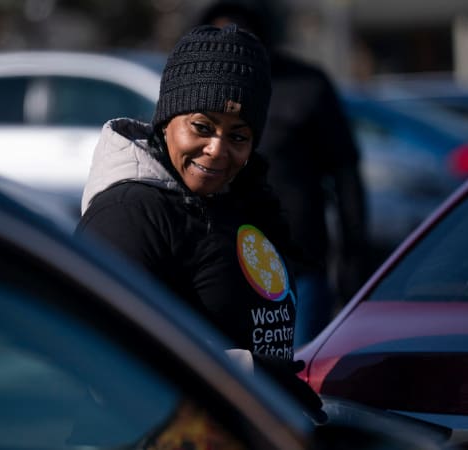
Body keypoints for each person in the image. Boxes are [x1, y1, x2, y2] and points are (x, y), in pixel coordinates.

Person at [75, 24, 324, 422]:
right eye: (202, 127)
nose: (217, 149)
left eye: (238, 136)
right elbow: (105, 364)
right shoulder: (128, 213)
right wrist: (251, 376)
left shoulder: (237, 198)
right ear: (167, 120)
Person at [196, 0, 370, 348]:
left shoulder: (306, 86)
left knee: (297, 370)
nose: (232, 44)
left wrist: (353, 252)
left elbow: (345, 172)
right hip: (224, 261)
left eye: (242, 33)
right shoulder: (201, 90)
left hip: (297, 263)